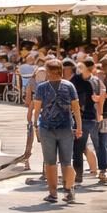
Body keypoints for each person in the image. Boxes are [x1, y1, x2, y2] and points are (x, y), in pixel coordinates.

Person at [29, 58, 82, 204]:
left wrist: (35, 125)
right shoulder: (69, 86)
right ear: (61, 70)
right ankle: (69, 190)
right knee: (67, 161)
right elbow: (76, 109)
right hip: (66, 128)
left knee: (50, 162)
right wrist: (79, 127)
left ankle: (53, 193)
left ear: (47, 71)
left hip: (47, 128)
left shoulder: (41, 88)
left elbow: (37, 109)